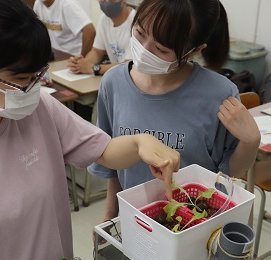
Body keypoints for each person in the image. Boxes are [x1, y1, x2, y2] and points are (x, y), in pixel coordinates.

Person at [0, 0, 180, 259]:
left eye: (39, 75)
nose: (34, 88)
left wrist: (139, 143)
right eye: (23, 79)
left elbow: (104, 151)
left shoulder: (40, 109)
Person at [87, 0, 261, 229]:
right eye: (139, 32)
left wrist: (251, 142)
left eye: (161, 49)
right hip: (133, 220)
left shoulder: (219, 93)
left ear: (195, 50)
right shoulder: (113, 83)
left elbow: (228, 173)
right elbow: (112, 161)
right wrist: (110, 212)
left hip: (193, 226)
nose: (144, 49)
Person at [67, 0, 135, 76]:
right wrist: (80, 64)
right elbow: (97, 52)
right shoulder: (104, 19)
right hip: (115, 76)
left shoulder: (137, 23)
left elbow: (129, 65)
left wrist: (93, 68)